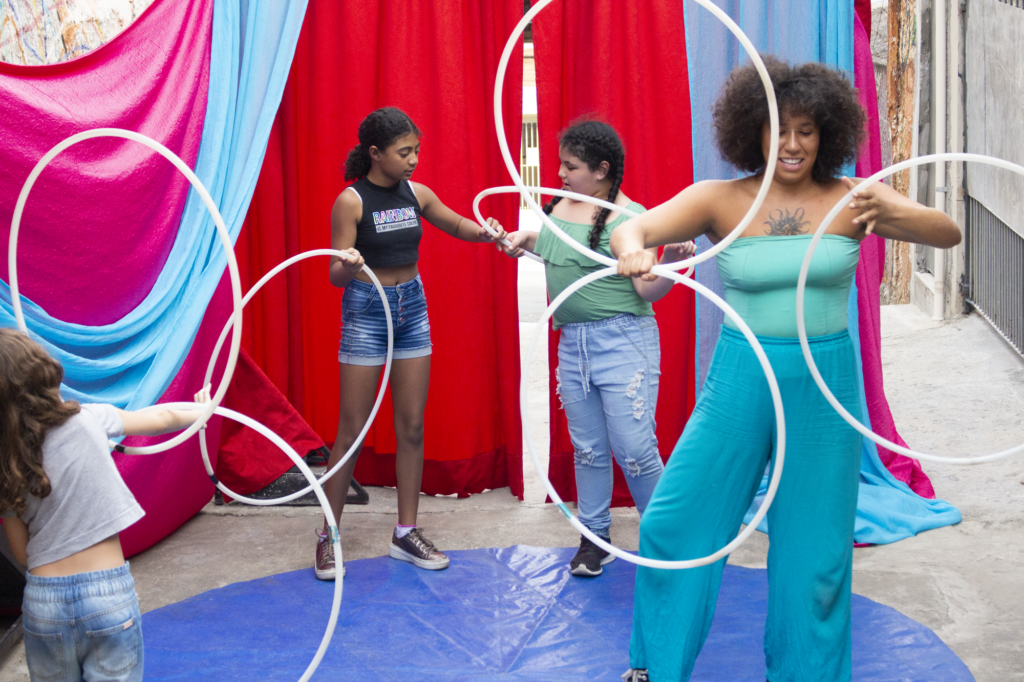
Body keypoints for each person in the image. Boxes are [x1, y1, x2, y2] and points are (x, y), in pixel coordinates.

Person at [611, 59, 961, 682]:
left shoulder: (853, 199)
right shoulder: (721, 200)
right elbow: (633, 225)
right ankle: (653, 668)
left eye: (807, 130)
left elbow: (948, 233)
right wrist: (634, 251)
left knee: (815, 553)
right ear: (755, 132)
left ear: (828, 132)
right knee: (674, 521)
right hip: (741, 376)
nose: (794, 144)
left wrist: (890, 208)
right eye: (779, 129)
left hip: (824, 385)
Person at [316, 107, 507, 580]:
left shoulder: (417, 194)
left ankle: (406, 532)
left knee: (412, 427)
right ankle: (328, 535)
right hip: (367, 310)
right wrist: (350, 262)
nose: (414, 160)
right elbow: (335, 274)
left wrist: (489, 234)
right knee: (352, 431)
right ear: (375, 154)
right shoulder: (352, 202)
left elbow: (459, 225)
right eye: (405, 152)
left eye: (416, 150)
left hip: (412, 309)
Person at [502, 119, 694, 577]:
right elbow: (554, 247)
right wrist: (522, 239)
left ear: (602, 170)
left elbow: (647, 292)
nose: (562, 173)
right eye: (562, 164)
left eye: (571, 166)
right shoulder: (560, 208)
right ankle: (594, 539)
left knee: (635, 449)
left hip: (624, 341)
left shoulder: (633, 220)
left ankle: (665, 538)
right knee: (587, 449)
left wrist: (673, 261)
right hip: (573, 345)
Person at [0, 327, 210, 682]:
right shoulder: (88, 419)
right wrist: (202, 411)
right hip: (106, 596)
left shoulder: (6, 462)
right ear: (43, 371)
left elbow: (21, 554)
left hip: (43, 602)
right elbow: (161, 419)